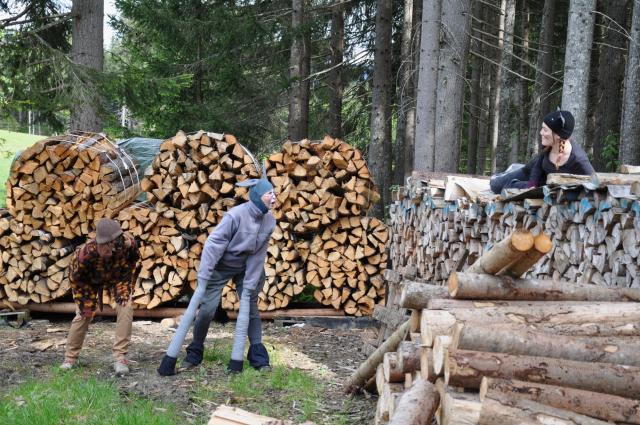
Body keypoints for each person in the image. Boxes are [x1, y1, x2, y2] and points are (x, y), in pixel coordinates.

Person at [157, 178, 276, 376]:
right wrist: (203, 279)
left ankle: (258, 356)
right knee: (207, 309)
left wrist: (249, 285)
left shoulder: (269, 220)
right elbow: (214, 245)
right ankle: (194, 353)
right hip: (220, 265)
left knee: (251, 308)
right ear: (256, 196)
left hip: (246, 266)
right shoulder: (235, 216)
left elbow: (258, 254)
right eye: (269, 193)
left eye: (274, 192)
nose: (274, 197)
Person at [60, 218, 141, 375]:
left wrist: (125, 277)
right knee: (83, 314)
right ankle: (70, 358)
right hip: (89, 280)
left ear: (115, 241)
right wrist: (85, 302)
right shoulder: (84, 254)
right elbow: (76, 278)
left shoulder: (128, 244)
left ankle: (120, 357)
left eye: (107, 244)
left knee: (126, 307)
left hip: (119, 276)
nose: (104, 248)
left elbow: (135, 260)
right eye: (101, 244)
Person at [490, 109, 595, 194]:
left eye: (545, 130)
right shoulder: (549, 146)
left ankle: (515, 173)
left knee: (510, 187)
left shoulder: (578, 159)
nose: (540, 133)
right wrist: (531, 185)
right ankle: (513, 169)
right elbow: (538, 165)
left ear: (558, 135)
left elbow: (594, 182)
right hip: (531, 171)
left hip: (544, 184)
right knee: (495, 186)